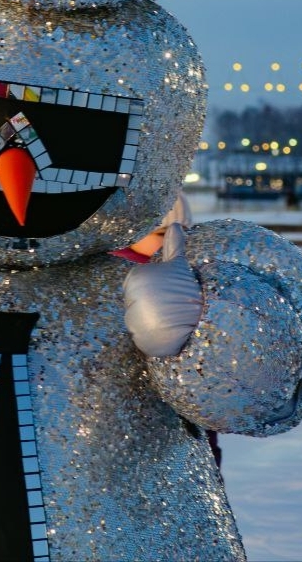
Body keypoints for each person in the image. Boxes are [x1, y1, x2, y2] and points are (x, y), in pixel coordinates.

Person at [112, 194, 223, 470]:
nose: (172, 242)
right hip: (128, 432)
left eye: (183, 233)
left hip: (186, 431)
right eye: (161, 232)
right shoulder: (114, 280)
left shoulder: (189, 281)